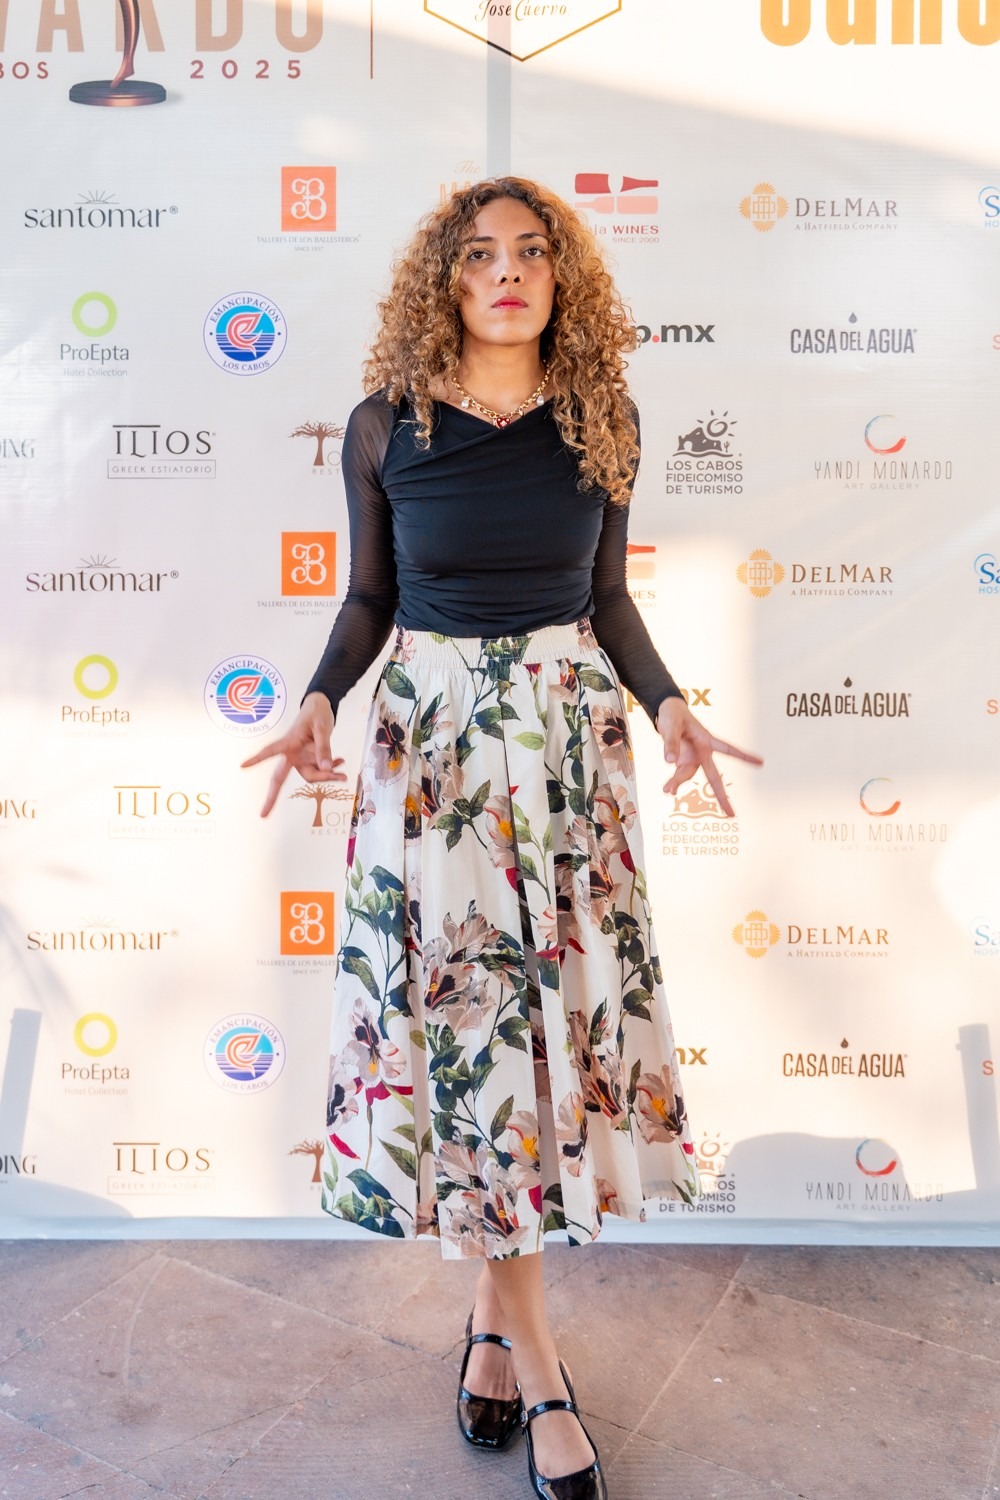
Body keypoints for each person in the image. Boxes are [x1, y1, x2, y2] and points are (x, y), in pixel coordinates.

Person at [243, 177, 762, 1500]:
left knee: (533, 1054)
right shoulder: (384, 425)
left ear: (561, 276)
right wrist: (318, 698)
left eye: (532, 252)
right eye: (480, 256)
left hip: (566, 746)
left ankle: (489, 1333)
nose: (508, 273)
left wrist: (672, 707)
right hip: (437, 755)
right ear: (447, 280)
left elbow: (609, 601)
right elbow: (371, 596)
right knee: (475, 1050)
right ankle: (541, 1376)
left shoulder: (603, 418)